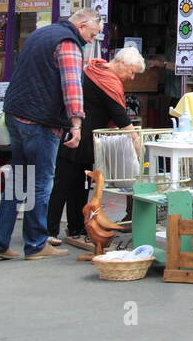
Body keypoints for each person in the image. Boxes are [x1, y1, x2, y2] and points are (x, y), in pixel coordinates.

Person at [0, 8, 101, 261]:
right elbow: (72, 85)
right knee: (40, 182)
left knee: (19, 179)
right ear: (82, 25)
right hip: (40, 121)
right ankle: (36, 244)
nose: (91, 40)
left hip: (16, 115)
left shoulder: (41, 34)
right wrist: (77, 124)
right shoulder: (68, 43)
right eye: (92, 34)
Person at [46, 46, 145, 249]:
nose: (132, 77)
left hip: (83, 136)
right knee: (63, 184)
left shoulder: (94, 71)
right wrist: (136, 140)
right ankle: (48, 231)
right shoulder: (106, 81)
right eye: (132, 71)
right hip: (77, 135)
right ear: (121, 63)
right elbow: (118, 114)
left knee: (78, 186)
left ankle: (76, 227)